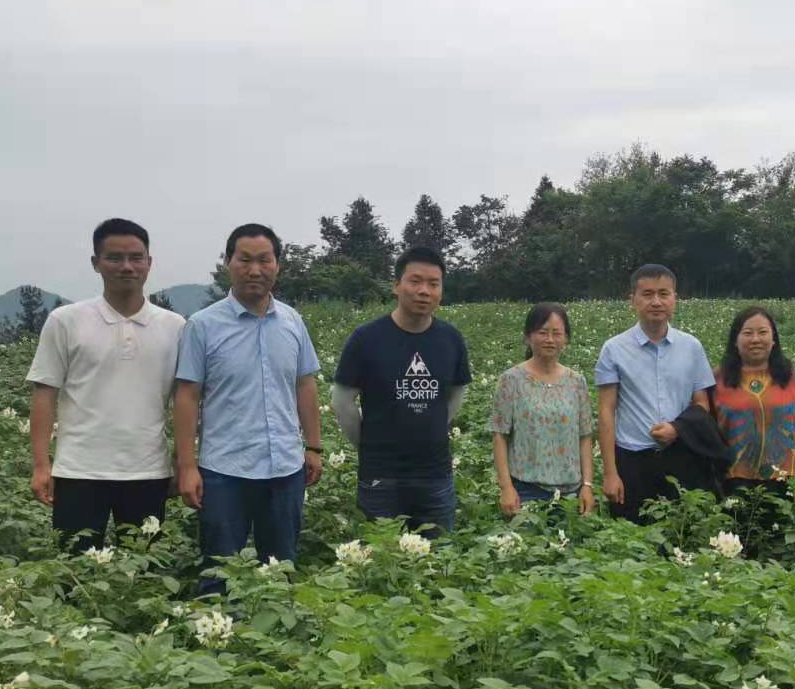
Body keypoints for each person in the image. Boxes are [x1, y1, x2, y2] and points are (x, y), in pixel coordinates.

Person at [26, 218, 185, 551]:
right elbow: (44, 394)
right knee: (75, 568)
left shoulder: (176, 327)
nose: (127, 266)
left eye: (136, 257)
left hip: (148, 471)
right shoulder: (66, 321)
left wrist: (183, 462)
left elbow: (186, 400)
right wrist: (41, 465)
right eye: (114, 258)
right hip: (78, 471)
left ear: (149, 262)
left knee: (143, 571)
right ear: (96, 263)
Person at [174, 224, 323, 579]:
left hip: (285, 468)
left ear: (277, 265)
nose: (255, 270)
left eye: (264, 260)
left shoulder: (292, 321)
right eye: (244, 260)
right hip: (224, 471)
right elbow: (187, 396)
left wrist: (314, 446)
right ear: (228, 262)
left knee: (281, 569)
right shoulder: (203, 325)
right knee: (219, 571)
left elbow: (304, 385)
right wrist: (187, 466)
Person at [333, 246, 471, 532]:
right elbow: (343, 401)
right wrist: (367, 444)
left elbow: (457, 392)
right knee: (381, 553)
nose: (424, 291)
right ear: (396, 286)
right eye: (415, 281)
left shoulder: (451, 339)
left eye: (433, 284)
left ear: (441, 290)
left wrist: (433, 426)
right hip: (380, 476)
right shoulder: (366, 339)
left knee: (439, 552)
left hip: (435, 474)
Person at [595, 264, 716, 521]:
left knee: (681, 532)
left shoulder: (692, 347)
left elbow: (702, 404)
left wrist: (677, 428)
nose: (656, 301)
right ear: (633, 300)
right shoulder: (614, 349)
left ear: (675, 299)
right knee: (630, 533)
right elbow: (606, 411)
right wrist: (610, 473)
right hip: (632, 461)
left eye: (664, 293)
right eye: (647, 294)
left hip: (681, 455)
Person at [489, 303, 596, 516]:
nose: (550, 339)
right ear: (528, 337)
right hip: (526, 490)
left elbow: (585, 436)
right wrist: (506, 487)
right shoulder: (511, 380)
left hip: (572, 493)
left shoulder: (577, 382)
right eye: (543, 332)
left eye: (557, 333)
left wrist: (587, 485)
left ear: (566, 339)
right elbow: (500, 435)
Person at [710, 306, 795, 501]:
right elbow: (706, 434)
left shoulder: (791, 377)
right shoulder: (717, 379)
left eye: (763, 332)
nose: (755, 339)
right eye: (747, 333)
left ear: (773, 339)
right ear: (735, 340)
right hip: (732, 485)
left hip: (786, 484)